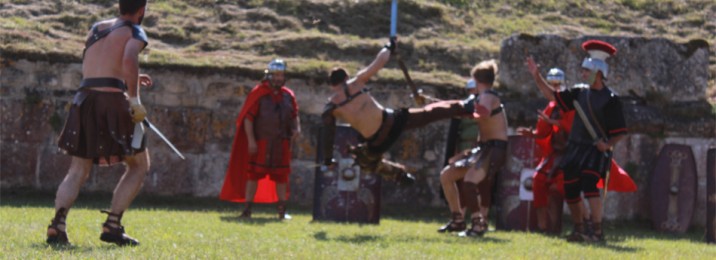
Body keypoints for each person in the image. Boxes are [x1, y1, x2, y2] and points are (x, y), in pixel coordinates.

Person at [47, 0, 151, 246]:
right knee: (138, 165)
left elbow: (100, 64)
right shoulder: (135, 30)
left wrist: (129, 78)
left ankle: (57, 226)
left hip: (84, 99)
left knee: (78, 169)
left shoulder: (96, 28)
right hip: (112, 102)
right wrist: (135, 101)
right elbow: (128, 60)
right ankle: (113, 225)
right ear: (142, 10)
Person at [320, 38, 477, 184]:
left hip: (377, 141)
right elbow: (379, 62)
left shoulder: (332, 107)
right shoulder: (357, 83)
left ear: (331, 86)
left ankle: (399, 175)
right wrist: (389, 46)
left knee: (366, 162)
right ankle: (464, 106)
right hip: (391, 122)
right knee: (427, 113)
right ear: (346, 77)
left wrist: (328, 159)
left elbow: (328, 135)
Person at [530, 40, 630, 242]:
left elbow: (620, 132)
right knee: (571, 189)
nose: (583, 75)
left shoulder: (611, 99)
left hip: (595, 150)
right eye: (583, 71)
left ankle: (597, 231)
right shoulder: (579, 92)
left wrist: (607, 144)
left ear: (598, 73)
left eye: (586, 71)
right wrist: (536, 76)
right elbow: (553, 96)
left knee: (590, 186)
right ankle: (580, 229)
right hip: (575, 148)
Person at [220, 59, 300, 220]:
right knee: (254, 176)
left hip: (281, 142)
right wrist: (251, 141)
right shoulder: (259, 93)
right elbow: (248, 118)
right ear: (269, 76)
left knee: (282, 177)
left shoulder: (288, 95)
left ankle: (282, 212)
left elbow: (294, 115)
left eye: (281, 75)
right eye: (276, 75)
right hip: (262, 142)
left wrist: (297, 128)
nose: (279, 78)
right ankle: (247, 210)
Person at [450, 60, 509, 237]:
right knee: (482, 186)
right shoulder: (484, 97)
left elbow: (483, 113)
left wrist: (466, 109)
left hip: (494, 148)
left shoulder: (488, 97)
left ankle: (477, 224)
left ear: (477, 80)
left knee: (469, 182)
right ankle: (480, 222)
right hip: (486, 147)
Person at [519, 67, 575, 234]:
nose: (555, 88)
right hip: (555, 154)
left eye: (558, 84)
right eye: (552, 84)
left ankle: (580, 225)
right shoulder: (551, 107)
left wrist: (554, 122)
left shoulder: (571, 105)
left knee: (567, 187)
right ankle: (544, 227)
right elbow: (543, 131)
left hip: (572, 154)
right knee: (538, 181)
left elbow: (573, 128)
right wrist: (533, 134)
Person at [436, 79, 481, 233]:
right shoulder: (465, 107)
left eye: (474, 90)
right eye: (470, 90)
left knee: (476, 185)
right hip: (463, 149)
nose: (472, 93)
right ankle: (458, 218)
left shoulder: (485, 106)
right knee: (456, 181)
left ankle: (480, 220)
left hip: (480, 151)